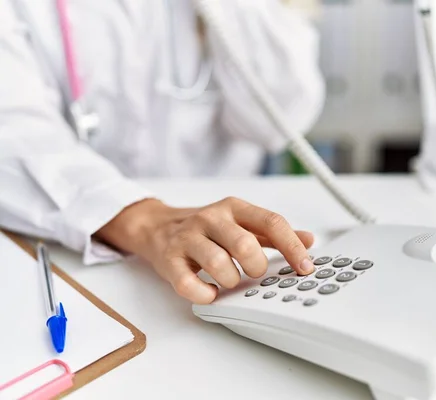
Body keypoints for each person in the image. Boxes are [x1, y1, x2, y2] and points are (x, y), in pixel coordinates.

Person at [0, 0, 326, 304]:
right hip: (73, 241)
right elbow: (14, 128)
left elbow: (277, 123)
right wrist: (146, 221)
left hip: (238, 243)